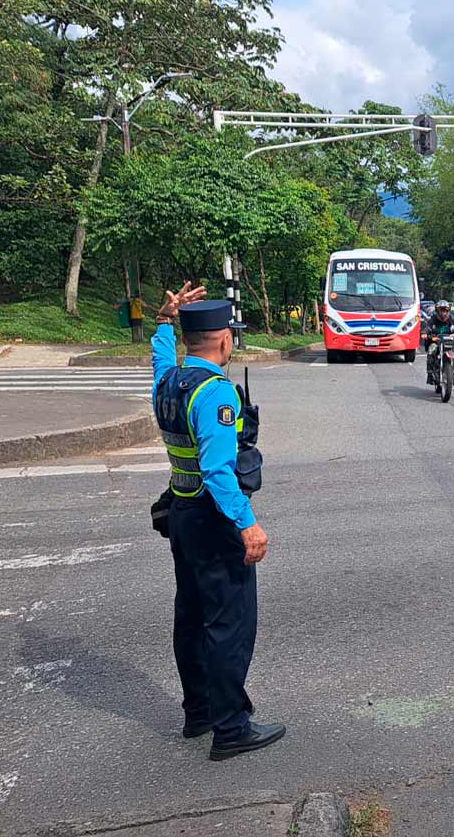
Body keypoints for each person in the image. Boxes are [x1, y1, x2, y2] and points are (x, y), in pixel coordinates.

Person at [151, 283, 284, 761]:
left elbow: (161, 357)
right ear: (225, 340)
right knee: (229, 623)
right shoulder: (215, 394)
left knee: (191, 616)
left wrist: (167, 319)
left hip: (183, 514)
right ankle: (231, 728)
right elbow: (218, 469)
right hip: (212, 518)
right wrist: (247, 524)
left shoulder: (169, 382)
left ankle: (200, 712)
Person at [424, 299, 454, 387]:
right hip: (436, 342)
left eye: (445, 310)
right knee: (431, 350)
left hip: (450, 343)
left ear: (448, 311)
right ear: (437, 311)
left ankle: (453, 374)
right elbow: (427, 328)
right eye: (441, 310)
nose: (443, 313)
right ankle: (430, 374)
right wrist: (424, 333)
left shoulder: (453, 319)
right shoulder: (433, 319)